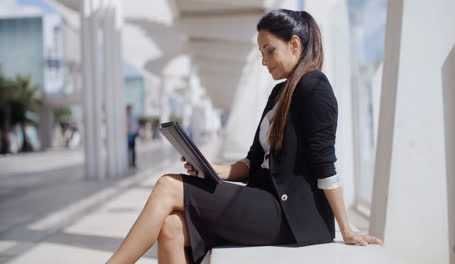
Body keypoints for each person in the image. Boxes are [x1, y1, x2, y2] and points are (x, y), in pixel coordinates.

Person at [106, 9, 383, 264]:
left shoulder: (315, 87)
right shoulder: (278, 94)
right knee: (171, 228)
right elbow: (252, 162)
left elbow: (325, 164)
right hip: (263, 204)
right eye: (261, 52)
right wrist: (209, 169)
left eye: (270, 51)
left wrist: (345, 229)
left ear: (295, 45)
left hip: (291, 217)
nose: (264, 61)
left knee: (168, 185)